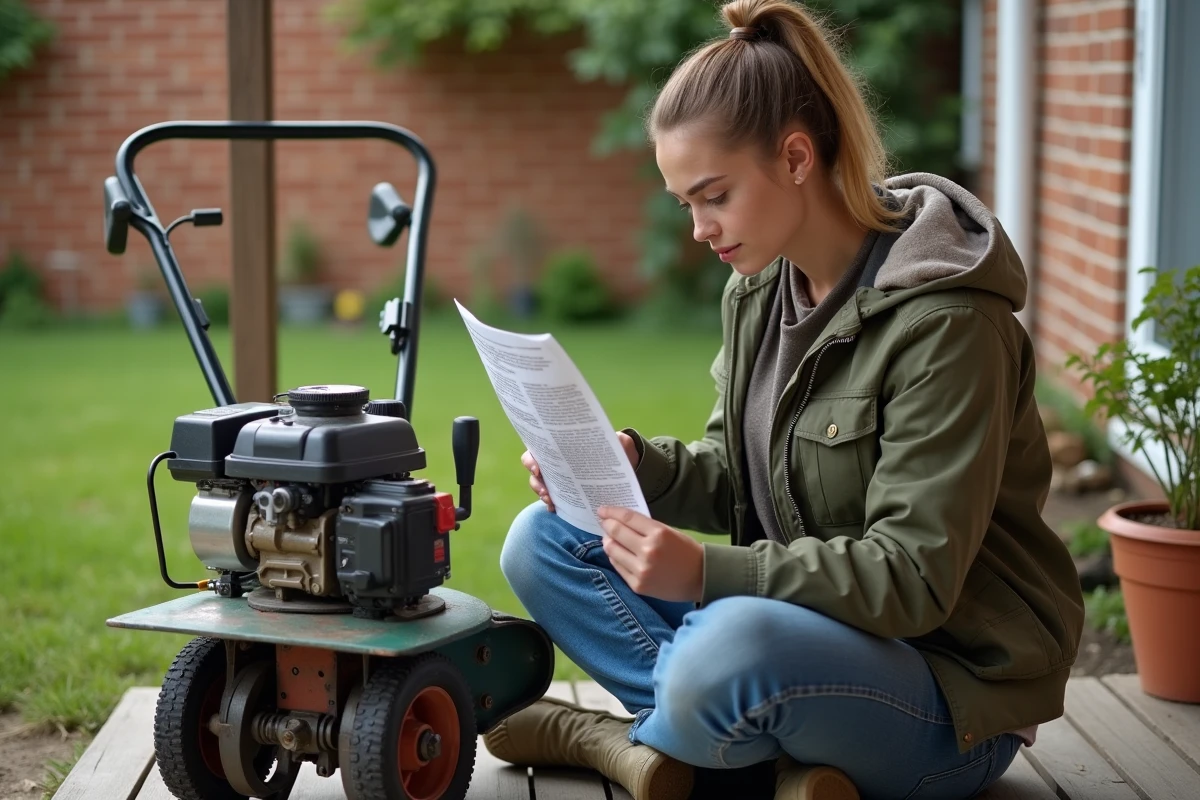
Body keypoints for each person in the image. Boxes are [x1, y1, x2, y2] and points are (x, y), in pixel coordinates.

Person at [481, 1, 1085, 798]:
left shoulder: (949, 324)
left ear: (796, 157)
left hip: (947, 697)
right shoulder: (761, 289)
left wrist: (704, 571)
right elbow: (743, 473)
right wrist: (640, 469)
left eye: (714, 196)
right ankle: (758, 753)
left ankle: (619, 741)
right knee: (541, 539)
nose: (699, 229)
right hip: (798, 643)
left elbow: (911, 578)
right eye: (685, 204)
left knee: (726, 645)